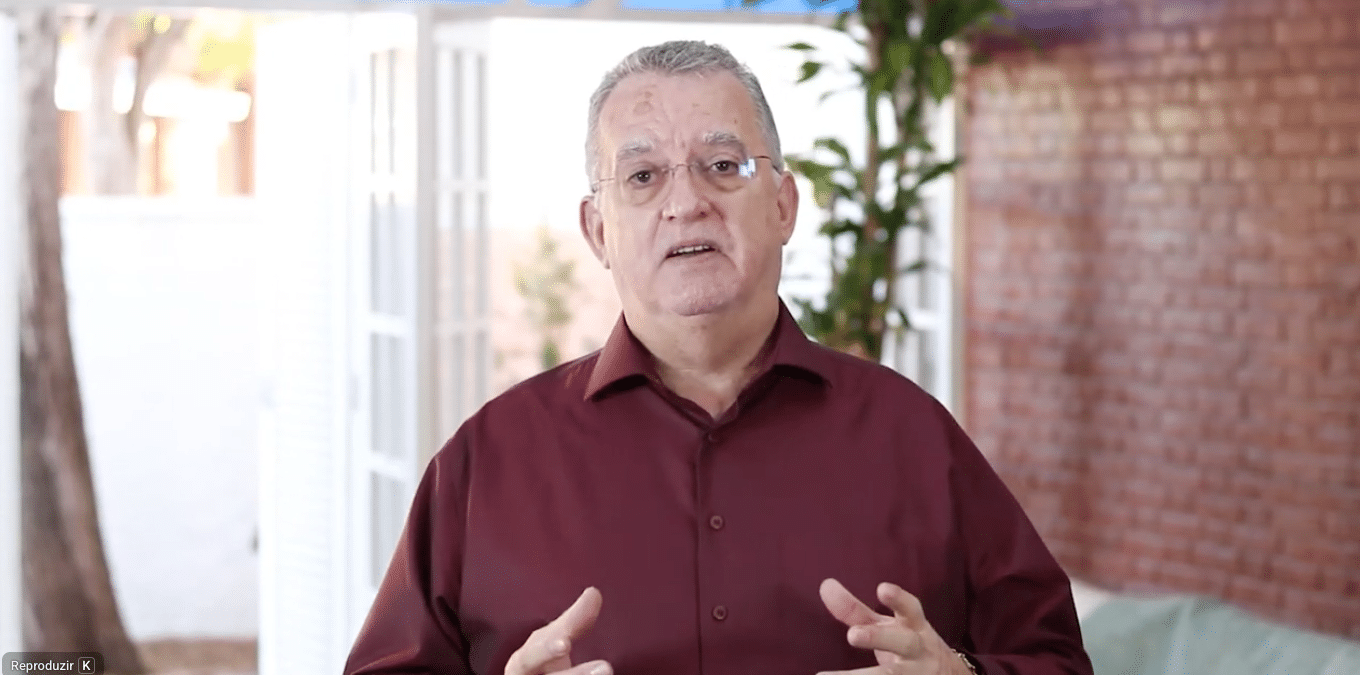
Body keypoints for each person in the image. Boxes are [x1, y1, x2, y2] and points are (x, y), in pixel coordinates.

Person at [344, 40, 1092, 675]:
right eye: (643, 177)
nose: (687, 202)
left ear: (784, 205)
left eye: (723, 165)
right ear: (598, 229)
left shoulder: (913, 437)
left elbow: (1057, 659)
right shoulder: (486, 464)